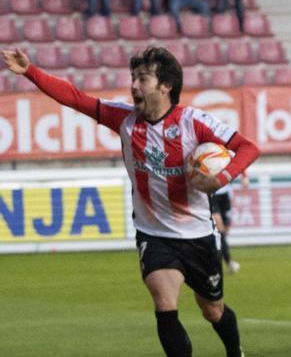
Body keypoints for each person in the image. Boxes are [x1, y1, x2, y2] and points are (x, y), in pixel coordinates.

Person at [1, 46, 260, 357]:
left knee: (212, 310)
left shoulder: (194, 121)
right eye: (133, 78)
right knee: (165, 305)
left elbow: (248, 147)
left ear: (166, 85)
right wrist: (30, 71)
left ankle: (236, 352)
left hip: (197, 235)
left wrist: (220, 178)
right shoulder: (124, 119)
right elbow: (75, 98)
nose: (134, 85)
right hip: (154, 234)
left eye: (143, 79)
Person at [211, 182, 241, 274]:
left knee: (224, 233)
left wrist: (245, 177)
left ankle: (219, 261)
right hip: (213, 195)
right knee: (220, 230)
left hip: (225, 195)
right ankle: (228, 262)